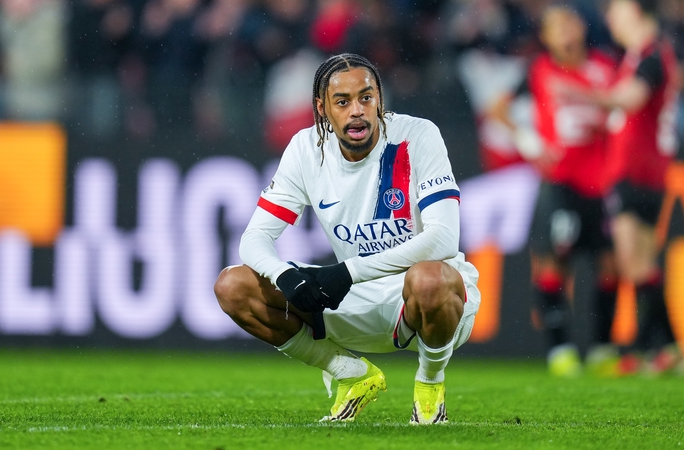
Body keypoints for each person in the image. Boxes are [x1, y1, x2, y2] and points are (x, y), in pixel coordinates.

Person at [214, 53, 480, 424]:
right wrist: (284, 277)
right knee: (233, 285)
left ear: (380, 101)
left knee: (430, 277)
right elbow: (254, 238)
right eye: (343, 102)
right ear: (322, 108)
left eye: (366, 98)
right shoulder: (306, 150)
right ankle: (348, 372)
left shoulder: (418, 136)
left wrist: (348, 271)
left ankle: (430, 383)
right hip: (350, 298)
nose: (357, 111)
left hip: (424, 298)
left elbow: (445, 239)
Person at [490, 4, 619, 377]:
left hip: (600, 182)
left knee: (609, 265)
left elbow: (622, 109)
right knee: (553, 264)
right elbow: (497, 110)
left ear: (580, 27)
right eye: (554, 27)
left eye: (568, 23)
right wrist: (527, 139)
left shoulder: (605, 67)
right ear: (545, 37)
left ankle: (601, 348)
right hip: (560, 181)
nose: (564, 32)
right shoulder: (538, 70)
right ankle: (560, 350)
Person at [574, 0, 684, 374]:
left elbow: (631, 98)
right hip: (648, 171)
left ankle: (647, 347)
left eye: (616, 10)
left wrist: (581, 95)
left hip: (637, 172)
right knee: (643, 265)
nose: (610, 19)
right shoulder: (643, 56)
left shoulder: (651, 57)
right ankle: (668, 348)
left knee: (632, 263)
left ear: (637, 11)